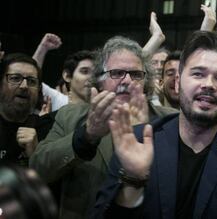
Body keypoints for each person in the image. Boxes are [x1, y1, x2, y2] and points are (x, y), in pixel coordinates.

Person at [92, 31, 217, 219]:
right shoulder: (137, 142)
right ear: (177, 83)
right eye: (198, 74)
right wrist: (133, 182)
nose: (209, 84)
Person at [29, 36, 177, 219]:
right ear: (99, 80)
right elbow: (38, 169)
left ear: (146, 82)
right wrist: (86, 136)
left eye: (136, 74)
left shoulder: (170, 120)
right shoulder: (70, 116)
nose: (126, 81)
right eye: (116, 73)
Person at [0, 53, 52, 166]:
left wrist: (36, 155)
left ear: (39, 90)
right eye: (15, 78)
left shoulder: (50, 130)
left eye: (31, 81)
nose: (24, 86)